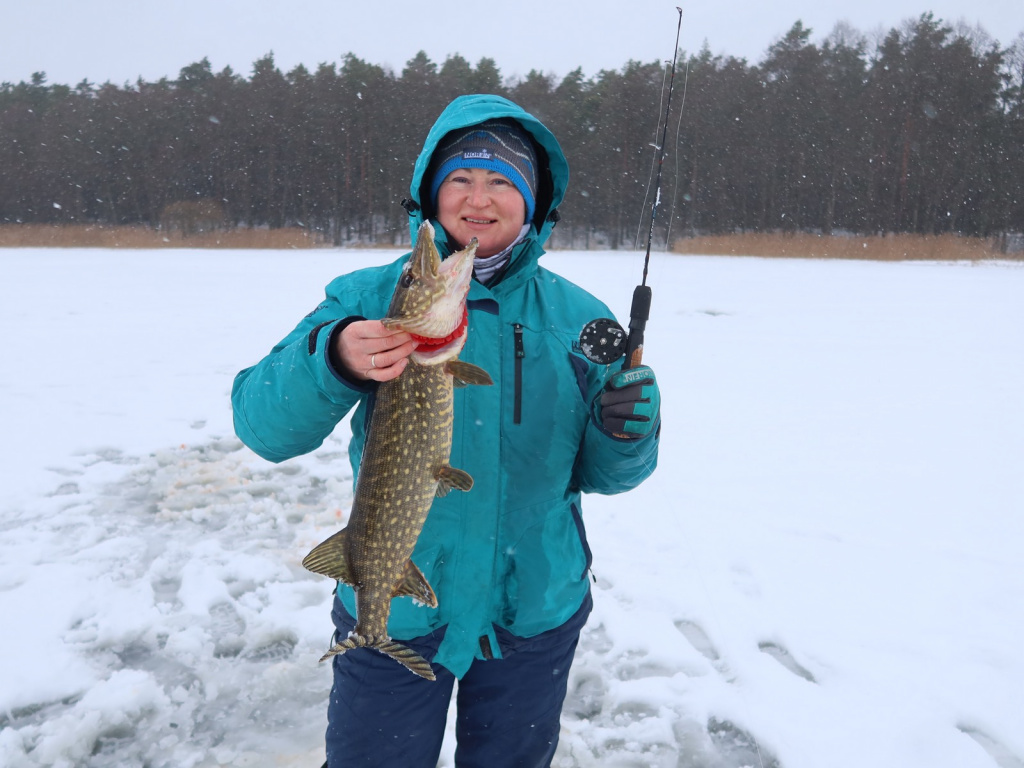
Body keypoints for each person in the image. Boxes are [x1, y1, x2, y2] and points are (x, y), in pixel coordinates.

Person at [231, 93, 661, 768]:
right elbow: (262, 426)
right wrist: (336, 356)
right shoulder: (371, 297)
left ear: (532, 200)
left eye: (501, 181)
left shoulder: (579, 318)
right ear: (430, 194)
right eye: (459, 178)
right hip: (398, 610)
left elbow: (611, 476)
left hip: (533, 611)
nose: (478, 198)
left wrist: (629, 432)